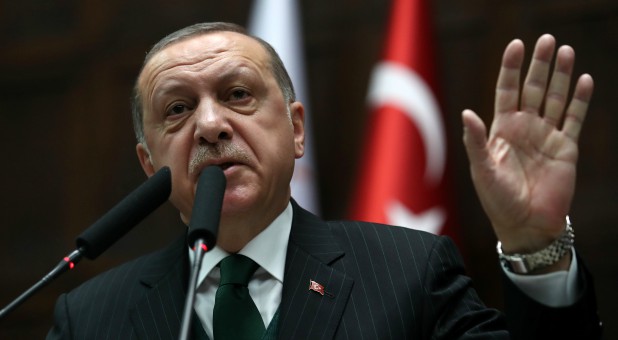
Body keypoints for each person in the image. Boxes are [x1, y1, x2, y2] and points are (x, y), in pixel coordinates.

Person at [47, 22, 602, 339]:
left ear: (294, 130)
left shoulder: (408, 274)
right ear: (150, 166)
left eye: (238, 95)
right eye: (177, 109)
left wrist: (536, 247)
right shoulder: (92, 319)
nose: (211, 126)